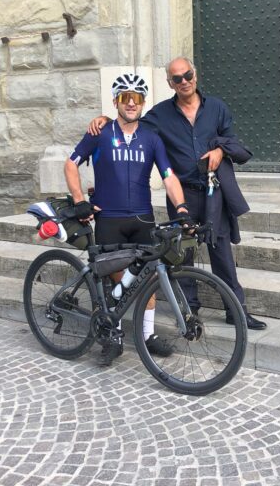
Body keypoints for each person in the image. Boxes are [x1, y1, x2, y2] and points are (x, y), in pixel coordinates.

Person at [89, 57, 267, 330]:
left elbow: (233, 141)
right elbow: (130, 121)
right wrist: (105, 120)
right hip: (182, 195)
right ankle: (188, 309)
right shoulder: (159, 114)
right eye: (177, 78)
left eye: (188, 75)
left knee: (221, 253)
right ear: (170, 83)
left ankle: (235, 311)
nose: (184, 81)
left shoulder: (217, 108)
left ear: (195, 75)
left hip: (214, 193)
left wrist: (220, 151)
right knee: (181, 255)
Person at [65, 72, 192, 366]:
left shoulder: (151, 138)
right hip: (109, 219)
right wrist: (79, 200)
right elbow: (70, 165)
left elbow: (169, 176)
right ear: (116, 102)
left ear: (143, 103)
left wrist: (182, 208)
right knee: (115, 281)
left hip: (142, 219)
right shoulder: (100, 133)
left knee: (148, 278)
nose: (131, 103)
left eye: (136, 98)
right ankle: (114, 338)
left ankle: (147, 336)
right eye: (125, 97)